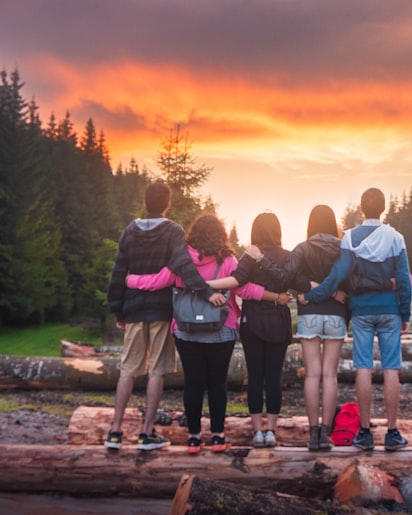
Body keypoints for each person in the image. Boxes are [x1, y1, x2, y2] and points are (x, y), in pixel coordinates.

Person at [127, 213, 268, 454]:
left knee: (193, 384)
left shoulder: (182, 259)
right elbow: (243, 289)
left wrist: (129, 280)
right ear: (221, 235)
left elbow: (158, 281)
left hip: (186, 330)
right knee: (216, 384)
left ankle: (193, 438)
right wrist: (273, 296)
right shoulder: (229, 261)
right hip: (221, 330)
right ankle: (218, 437)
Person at [104, 182, 214, 451]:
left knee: (127, 370)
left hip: (133, 308)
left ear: (145, 201)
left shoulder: (130, 231)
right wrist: (205, 291)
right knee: (157, 371)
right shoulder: (173, 230)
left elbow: (119, 271)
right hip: (162, 310)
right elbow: (183, 264)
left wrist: (118, 308)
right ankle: (146, 433)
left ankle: (115, 432)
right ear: (167, 203)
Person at [304, 188, 412, 452]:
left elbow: (339, 273)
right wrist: (405, 313)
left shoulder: (350, 238)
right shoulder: (396, 237)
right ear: (383, 208)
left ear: (362, 209)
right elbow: (405, 279)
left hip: (362, 312)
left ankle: (364, 432)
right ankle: (392, 432)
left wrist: (315, 293)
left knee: (363, 367)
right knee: (391, 368)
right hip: (389, 311)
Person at [244, 205, 348, 451]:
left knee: (312, 374)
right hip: (335, 313)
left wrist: (307, 288)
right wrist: (338, 297)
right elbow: (351, 280)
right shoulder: (343, 248)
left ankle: (313, 434)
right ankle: (326, 433)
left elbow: (287, 279)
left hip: (310, 313)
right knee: (330, 376)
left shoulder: (302, 249)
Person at [204, 212, 294, 448]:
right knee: (274, 377)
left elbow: (236, 282)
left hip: (252, 322)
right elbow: (288, 280)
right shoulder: (288, 256)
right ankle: (271, 431)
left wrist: (205, 284)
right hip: (278, 321)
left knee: (255, 377)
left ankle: (257, 432)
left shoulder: (250, 256)